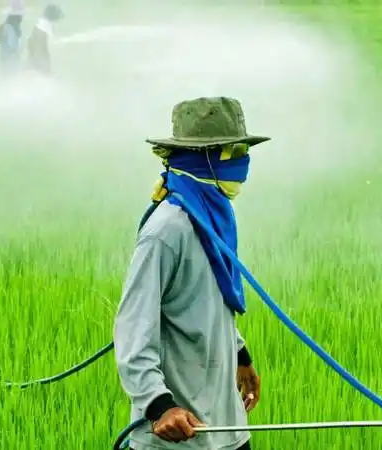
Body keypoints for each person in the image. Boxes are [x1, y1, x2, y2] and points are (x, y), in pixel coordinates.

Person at [114, 97, 269, 450]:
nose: (243, 161)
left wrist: (240, 354)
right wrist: (158, 406)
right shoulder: (167, 230)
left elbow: (208, 299)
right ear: (206, 158)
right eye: (234, 152)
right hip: (178, 436)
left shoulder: (214, 217)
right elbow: (132, 327)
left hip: (226, 428)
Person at [25, 4, 64, 76]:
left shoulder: (41, 23)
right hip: (38, 45)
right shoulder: (46, 27)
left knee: (34, 63)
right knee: (43, 64)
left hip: (34, 43)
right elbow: (51, 43)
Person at [0, 0, 26, 74]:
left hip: (7, 60)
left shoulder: (8, 25)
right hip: (10, 62)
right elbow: (12, 47)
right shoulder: (11, 28)